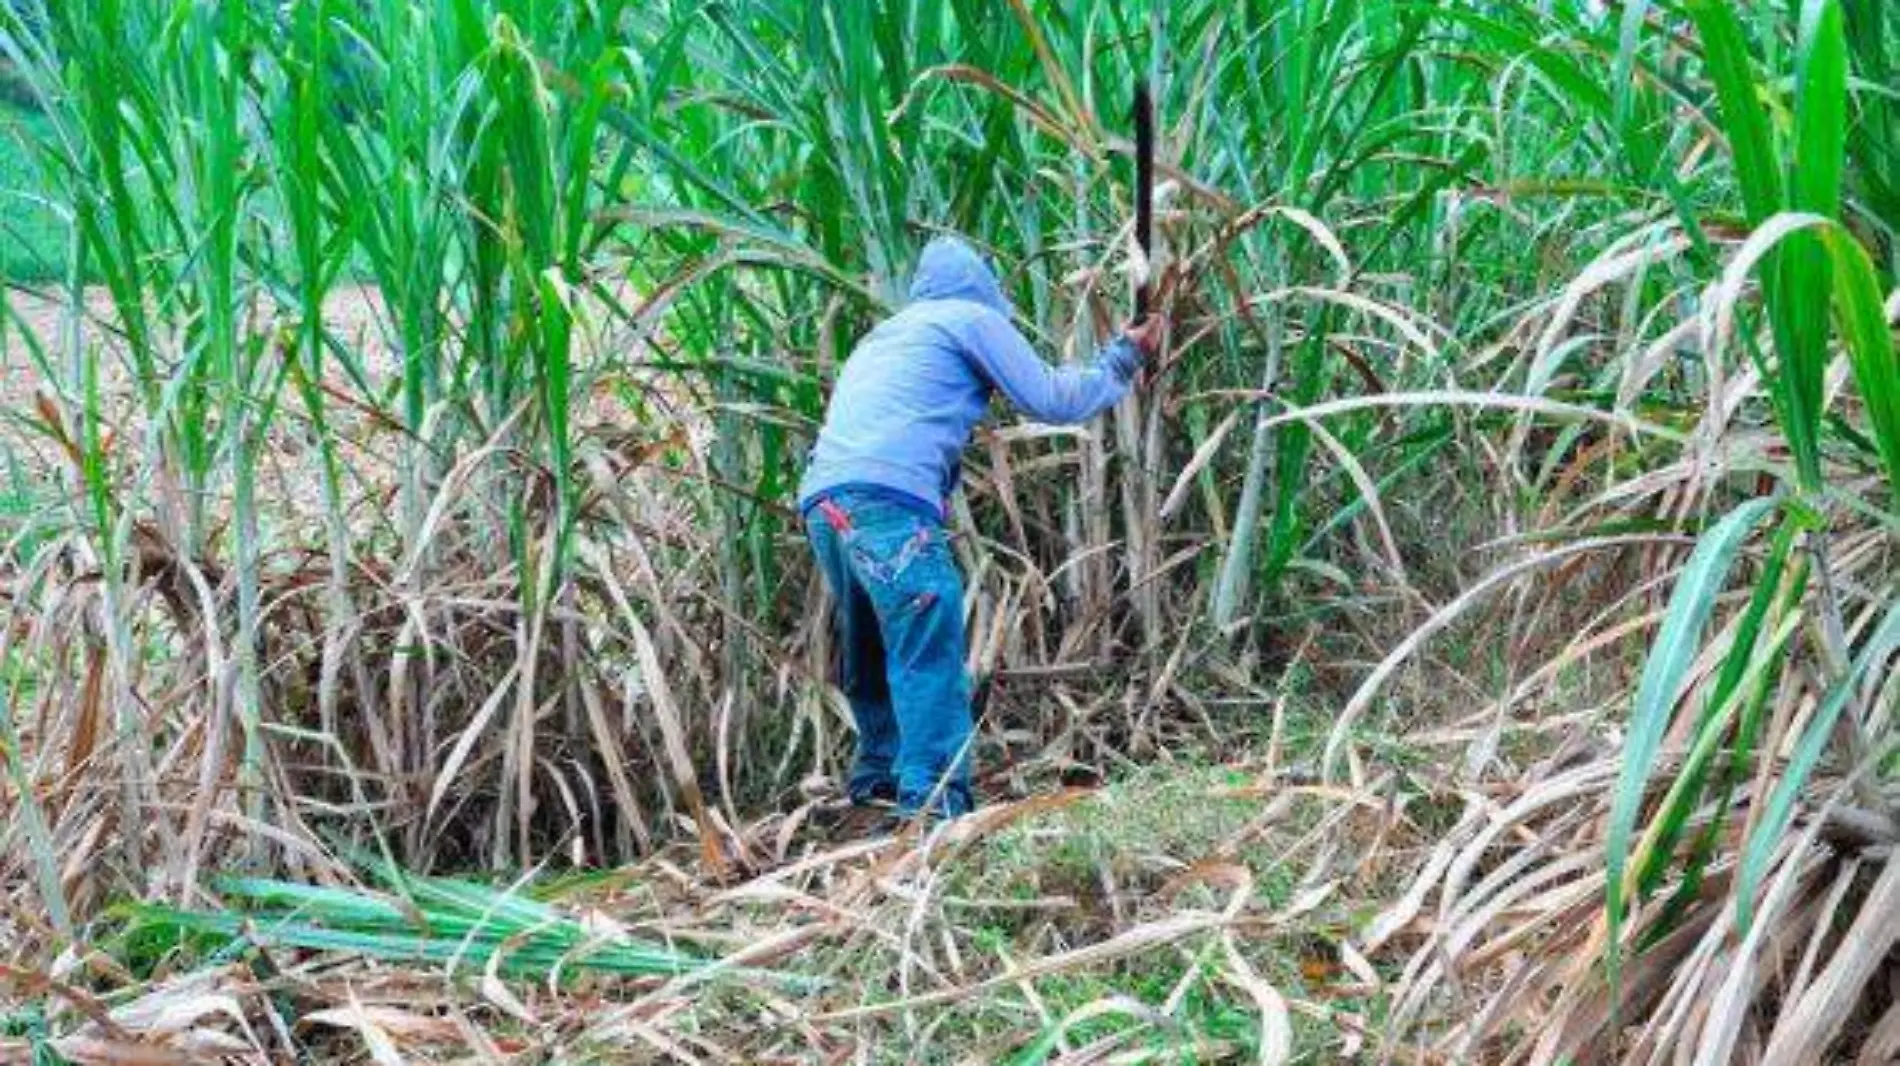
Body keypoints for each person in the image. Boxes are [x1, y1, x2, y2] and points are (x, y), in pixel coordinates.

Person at [798, 234, 1165, 823]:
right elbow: (1052, 399)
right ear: (984, 288)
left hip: (825, 500)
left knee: (870, 638)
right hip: (887, 500)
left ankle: (879, 779)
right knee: (926, 634)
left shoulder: (886, 334)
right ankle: (934, 802)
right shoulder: (970, 317)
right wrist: (1123, 359)